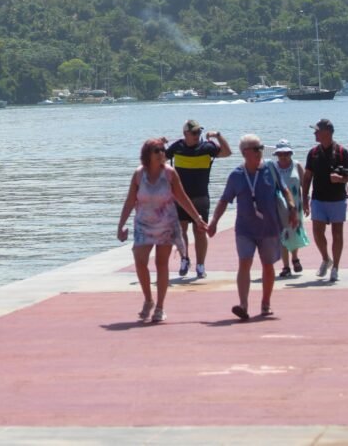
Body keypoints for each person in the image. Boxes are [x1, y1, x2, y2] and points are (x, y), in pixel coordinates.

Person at [207, 134, 297, 321]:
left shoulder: (271, 169)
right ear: (245, 152)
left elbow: (284, 189)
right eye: (256, 148)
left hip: (269, 227)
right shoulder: (236, 175)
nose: (260, 152)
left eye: (261, 148)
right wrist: (214, 221)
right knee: (244, 263)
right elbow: (224, 200)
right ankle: (243, 304)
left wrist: (292, 206)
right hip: (245, 229)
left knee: (267, 265)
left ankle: (266, 303)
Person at [118, 138, 207, 323]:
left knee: (161, 264)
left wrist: (197, 219)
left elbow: (182, 198)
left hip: (166, 224)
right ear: (147, 154)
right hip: (143, 225)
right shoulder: (138, 175)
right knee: (140, 260)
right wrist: (121, 225)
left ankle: (160, 307)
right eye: (157, 150)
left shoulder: (169, 174)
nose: (161, 153)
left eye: (162, 150)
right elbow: (129, 201)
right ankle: (148, 300)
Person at [165, 119, 232, 279]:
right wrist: (159, 145)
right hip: (180, 197)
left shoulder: (207, 147)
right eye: (194, 133)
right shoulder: (177, 147)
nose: (197, 135)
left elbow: (227, 152)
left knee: (200, 231)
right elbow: (159, 160)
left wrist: (218, 136)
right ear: (185, 134)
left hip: (201, 197)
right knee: (181, 230)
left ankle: (200, 265)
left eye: (199, 132)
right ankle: (184, 259)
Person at [302, 119, 348, 283]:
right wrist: (304, 198)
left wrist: (340, 179)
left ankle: (336, 268)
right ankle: (326, 258)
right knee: (317, 232)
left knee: (337, 234)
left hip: (337, 199)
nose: (314, 133)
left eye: (317, 131)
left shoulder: (341, 152)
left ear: (327, 132)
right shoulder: (313, 153)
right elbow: (307, 176)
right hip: (318, 198)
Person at [273, 139, 309, 278]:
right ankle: (286, 266)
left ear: (290, 153)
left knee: (295, 231)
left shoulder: (297, 165)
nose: (283, 156)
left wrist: (306, 201)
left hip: (296, 204)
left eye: (286, 153)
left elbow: (305, 185)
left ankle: (295, 258)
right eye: (281, 154)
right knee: (283, 234)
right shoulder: (273, 167)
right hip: (279, 205)